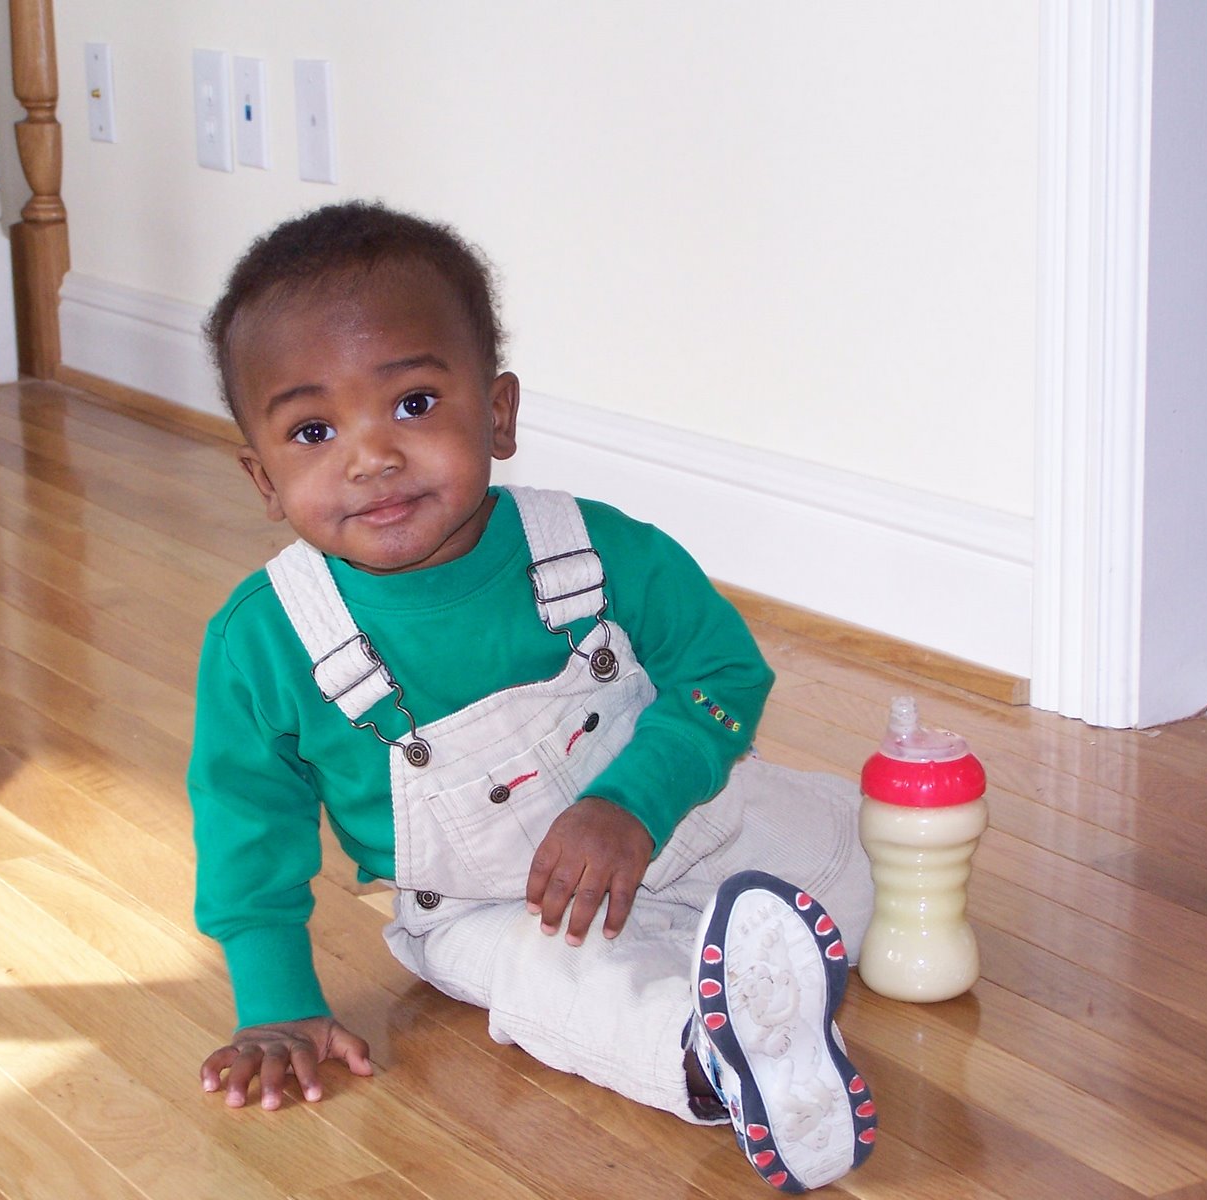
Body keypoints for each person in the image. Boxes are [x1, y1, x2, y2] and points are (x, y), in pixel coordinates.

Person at [189, 201, 878, 1191]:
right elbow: (248, 831)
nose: (371, 457)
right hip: (494, 908)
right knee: (557, 988)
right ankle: (721, 1055)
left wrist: (633, 802)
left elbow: (725, 677)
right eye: (313, 430)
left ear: (498, 412)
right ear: (263, 478)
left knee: (846, 842)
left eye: (413, 404)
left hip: (676, 821)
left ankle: (816, 939)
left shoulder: (596, 549)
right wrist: (276, 1005)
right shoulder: (264, 641)